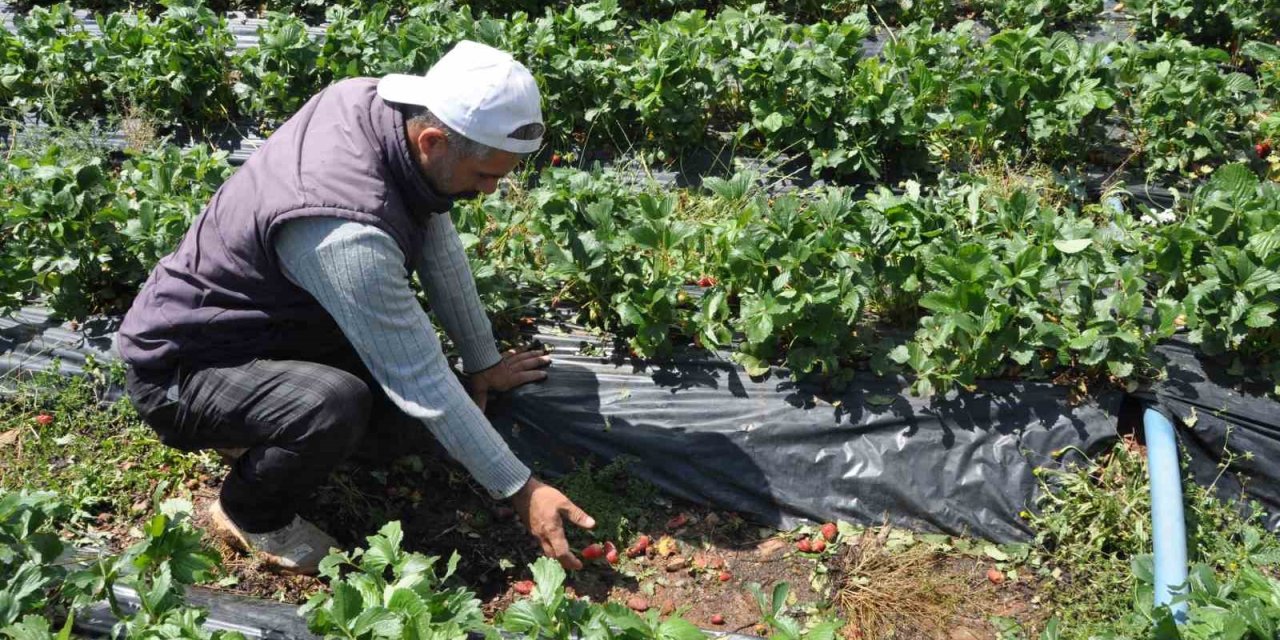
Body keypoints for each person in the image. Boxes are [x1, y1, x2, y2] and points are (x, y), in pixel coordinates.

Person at [115, 40, 595, 575]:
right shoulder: (343, 232)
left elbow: (437, 239)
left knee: (411, 426)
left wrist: (483, 361)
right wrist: (521, 489)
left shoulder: (374, 111)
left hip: (270, 324)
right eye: (487, 176)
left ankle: (267, 426)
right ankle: (250, 512)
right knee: (333, 404)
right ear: (434, 140)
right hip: (186, 365)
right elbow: (420, 378)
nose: (490, 190)